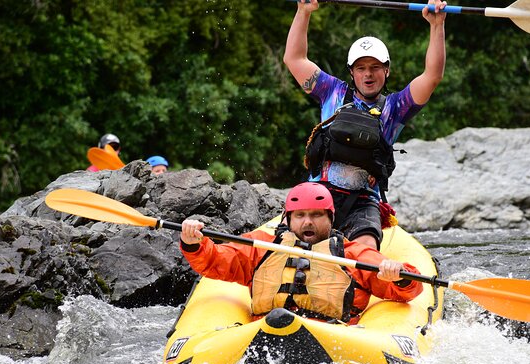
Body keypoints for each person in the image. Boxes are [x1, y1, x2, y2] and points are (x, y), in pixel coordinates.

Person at [283, 0, 447, 250]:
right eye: (361, 68)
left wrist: (437, 26)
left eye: (375, 67)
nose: (368, 74)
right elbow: (294, 58)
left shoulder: (396, 107)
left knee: (366, 246)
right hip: (319, 195)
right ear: (352, 72)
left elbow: (432, 76)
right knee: (287, 243)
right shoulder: (331, 92)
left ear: (387, 70)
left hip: (362, 202)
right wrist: (303, 11)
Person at [180, 182, 423, 324]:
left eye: (317, 215)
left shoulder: (352, 254)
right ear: (288, 219)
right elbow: (215, 261)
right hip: (266, 330)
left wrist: (399, 276)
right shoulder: (262, 246)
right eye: (300, 216)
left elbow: (407, 289)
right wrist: (193, 243)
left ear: (330, 218)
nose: (308, 223)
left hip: (332, 336)